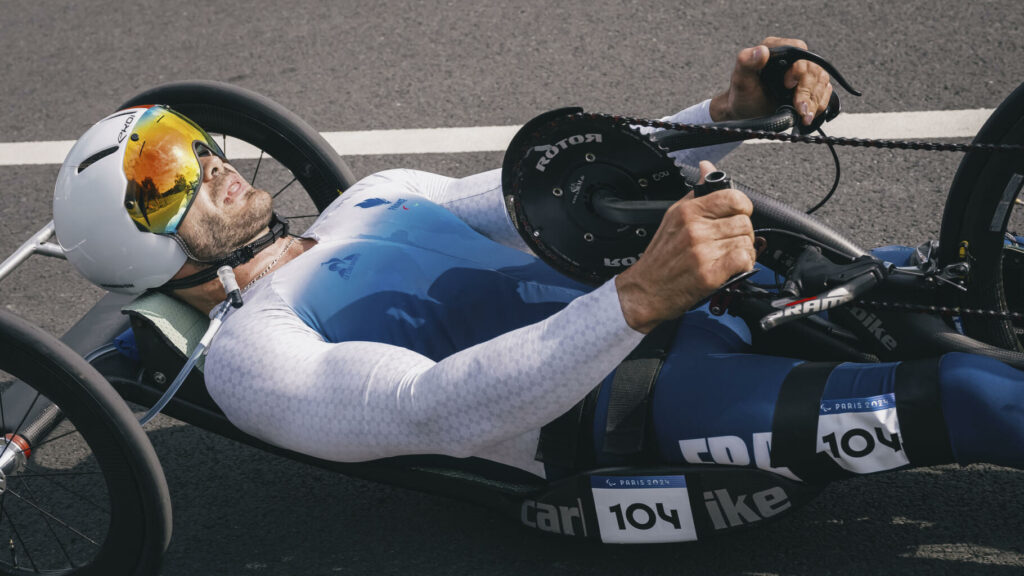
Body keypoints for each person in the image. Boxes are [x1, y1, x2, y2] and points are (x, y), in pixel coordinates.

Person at [52, 37, 1024, 488]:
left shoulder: (369, 197)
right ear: (125, 239)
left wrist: (731, 116)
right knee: (975, 397)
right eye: (158, 174)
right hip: (641, 401)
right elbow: (433, 411)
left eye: (184, 141)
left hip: (691, 298)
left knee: (975, 281)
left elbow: (558, 196)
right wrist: (637, 300)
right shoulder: (251, 355)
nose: (206, 161)